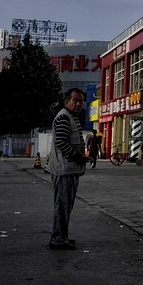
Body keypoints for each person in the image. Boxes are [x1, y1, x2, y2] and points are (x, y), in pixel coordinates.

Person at [47, 88, 90, 250]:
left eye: (81, 101)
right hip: (63, 169)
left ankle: (61, 236)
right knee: (62, 205)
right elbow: (62, 143)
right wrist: (80, 157)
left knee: (66, 205)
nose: (78, 104)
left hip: (69, 169)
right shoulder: (64, 117)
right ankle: (58, 238)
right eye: (75, 100)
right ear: (67, 102)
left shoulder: (72, 117)